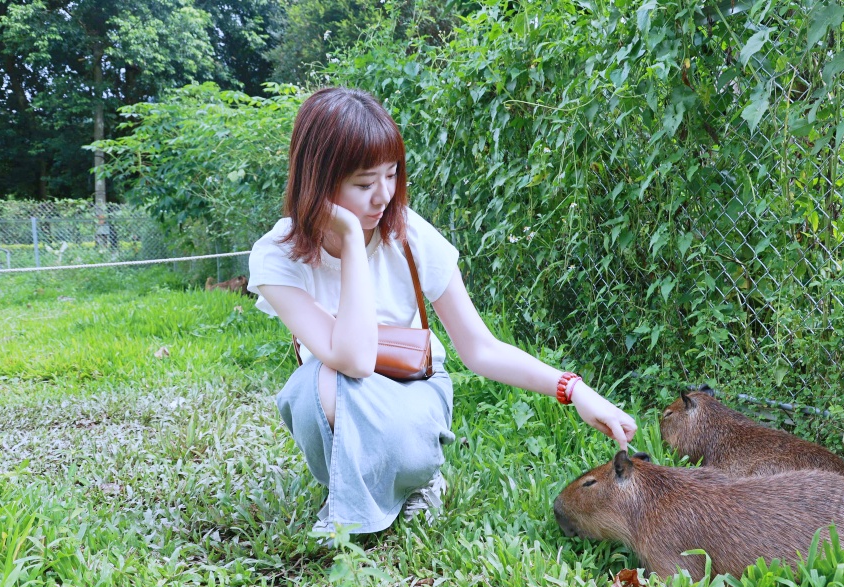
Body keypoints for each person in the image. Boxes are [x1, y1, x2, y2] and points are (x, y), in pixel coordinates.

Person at [248, 87, 636, 540]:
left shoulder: (409, 235)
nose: (383, 197)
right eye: (363, 183)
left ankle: (414, 484)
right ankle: (357, 497)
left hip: (412, 390)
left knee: (335, 387)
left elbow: (480, 348)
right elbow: (350, 359)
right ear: (316, 181)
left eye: (391, 175)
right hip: (337, 390)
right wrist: (352, 240)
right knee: (312, 388)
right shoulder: (277, 256)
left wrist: (575, 390)